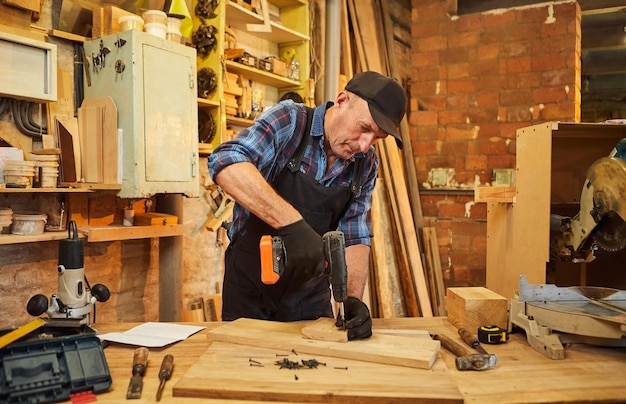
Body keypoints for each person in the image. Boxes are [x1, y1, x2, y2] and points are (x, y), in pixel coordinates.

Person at [207, 71, 407, 340]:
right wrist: (292, 224)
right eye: (364, 128)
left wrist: (351, 301)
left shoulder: (366, 164)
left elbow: (355, 234)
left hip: (309, 295)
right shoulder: (290, 122)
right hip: (250, 287)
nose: (365, 146)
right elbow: (225, 161)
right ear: (342, 101)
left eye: (377, 138)